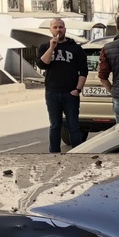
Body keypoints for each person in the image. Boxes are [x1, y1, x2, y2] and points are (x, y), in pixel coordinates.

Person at [37, 17, 87, 153]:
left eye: (61, 27)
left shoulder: (76, 48)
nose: (58, 30)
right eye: (55, 27)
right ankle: (54, 154)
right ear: (51, 30)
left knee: (73, 126)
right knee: (55, 126)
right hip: (52, 92)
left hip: (70, 92)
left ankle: (78, 153)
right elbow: (42, 64)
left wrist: (78, 89)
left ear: (65, 29)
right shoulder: (44, 47)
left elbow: (83, 71)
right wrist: (52, 47)